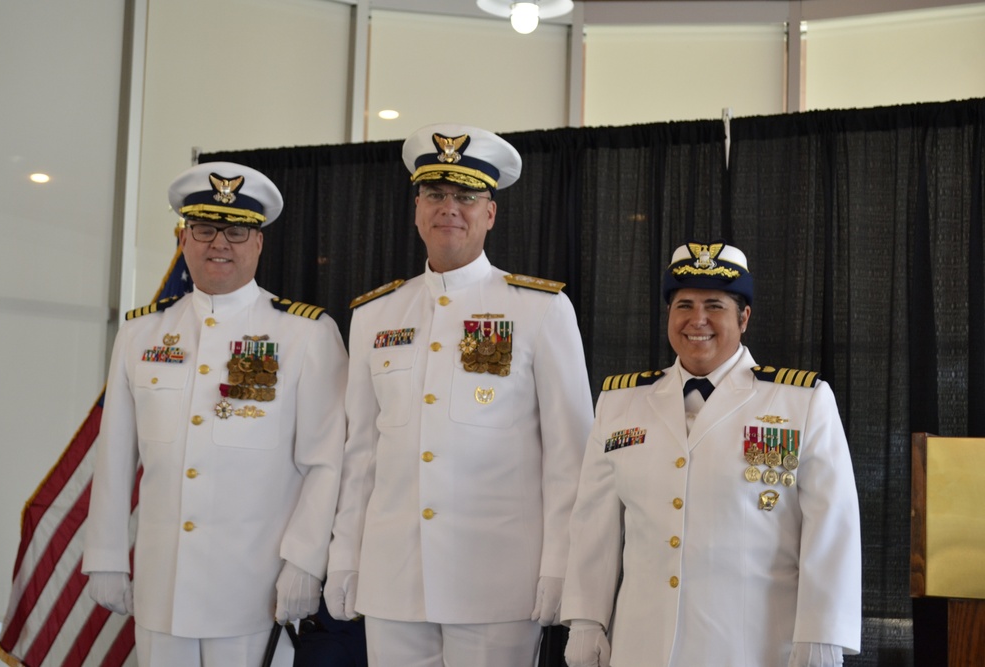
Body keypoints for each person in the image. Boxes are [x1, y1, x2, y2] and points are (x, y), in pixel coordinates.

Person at [323, 123, 594, 667]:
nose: (450, 208)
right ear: (417, 208)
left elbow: (571, 458)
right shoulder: (375, 315)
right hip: (394, 574)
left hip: (497, 580)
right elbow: (361, 456)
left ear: (490, 213)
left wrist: (561, 565)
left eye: (466, 196)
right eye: (436, 194)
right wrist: (345, 554)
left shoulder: (540, 310)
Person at [83, 161, 348, 667]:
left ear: (258, 243)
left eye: (236, 230)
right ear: (183, 237)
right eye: (204, 229)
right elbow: (115, 457)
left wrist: (305, 562)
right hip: (164, 588)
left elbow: (327, 463)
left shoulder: (306, 335)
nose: (218, 243)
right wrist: (107, 557)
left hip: (255, 591)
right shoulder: (141, 335)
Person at [560, 241, 862, 667]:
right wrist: (586, 619)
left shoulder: (800, 401)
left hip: (752, 646)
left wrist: (822, 635)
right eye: (684, 304)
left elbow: (833, 526)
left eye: (714, 305)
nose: (696, 320)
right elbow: (594, 524)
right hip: (642, 645)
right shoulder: (621, 402)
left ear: (744, 318)